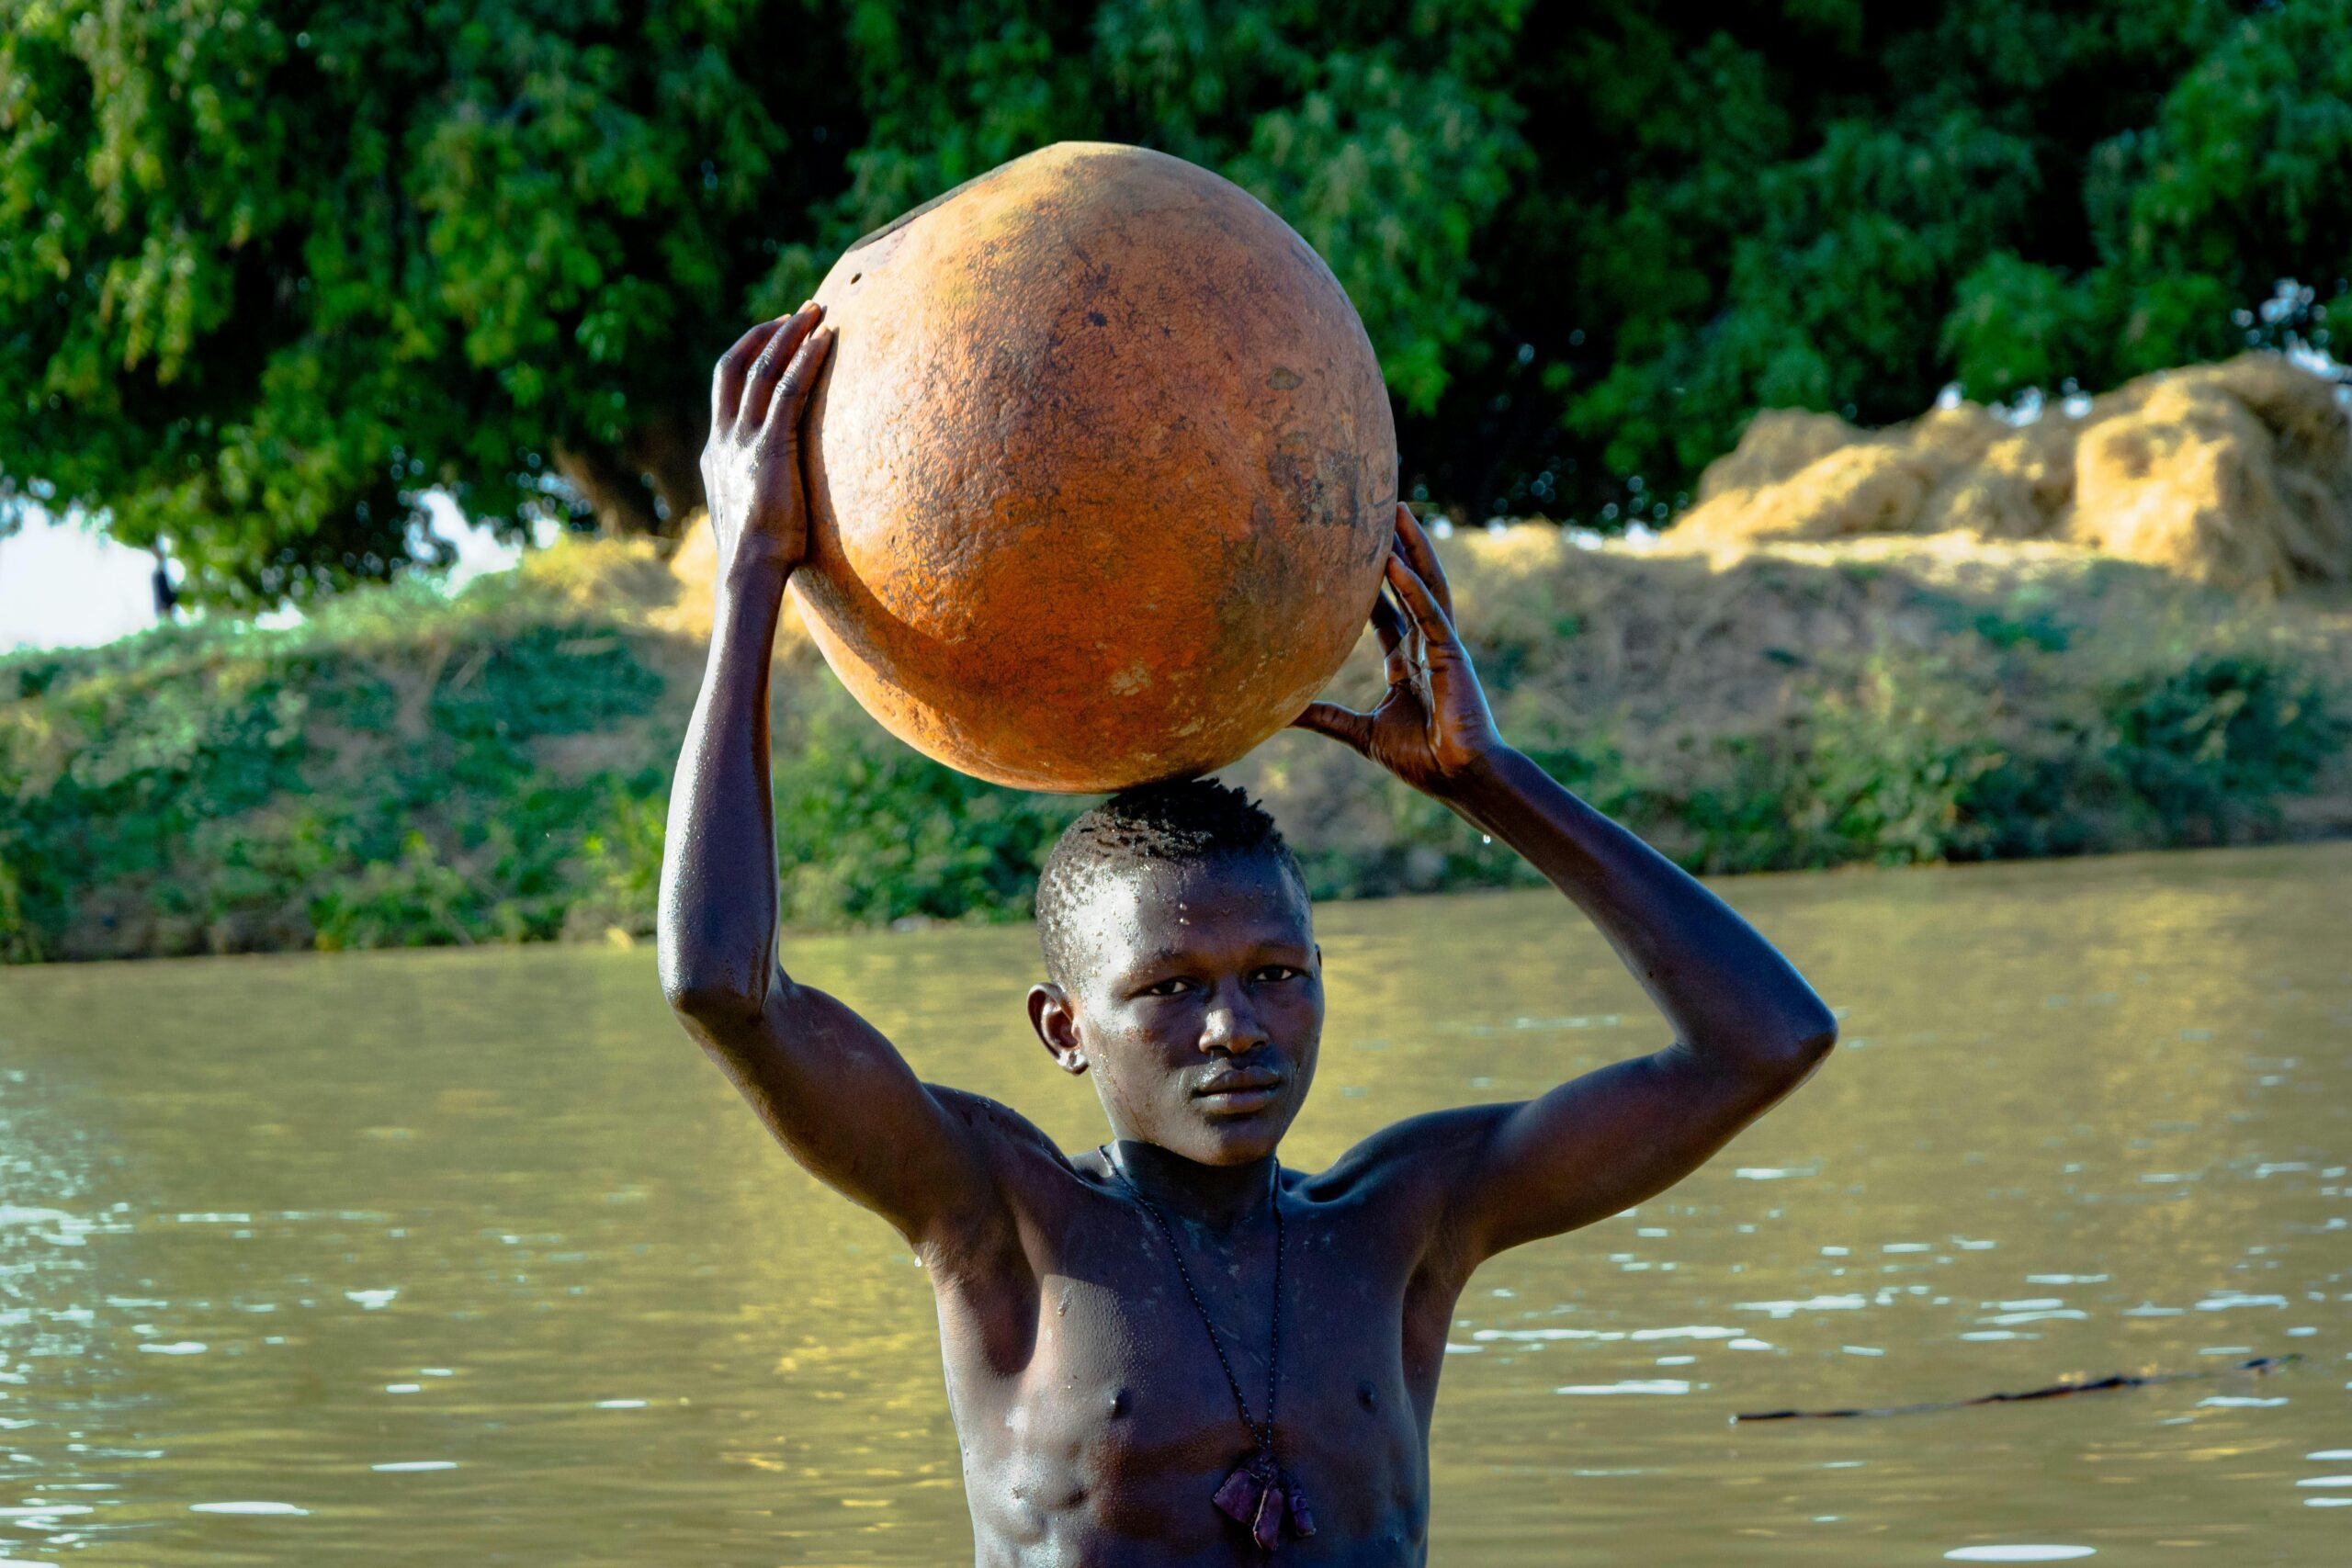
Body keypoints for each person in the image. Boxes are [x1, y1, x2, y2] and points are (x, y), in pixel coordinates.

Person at [659, 303, 1838, 1564]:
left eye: (1274, 975)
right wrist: (752, 572)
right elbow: (725, 988)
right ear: (1063, 1028)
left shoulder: (1406, 1221)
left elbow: (1767, 1042)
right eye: (1170, 989)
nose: (1234, 1027)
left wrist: (1491, 782)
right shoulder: (999, 1214)